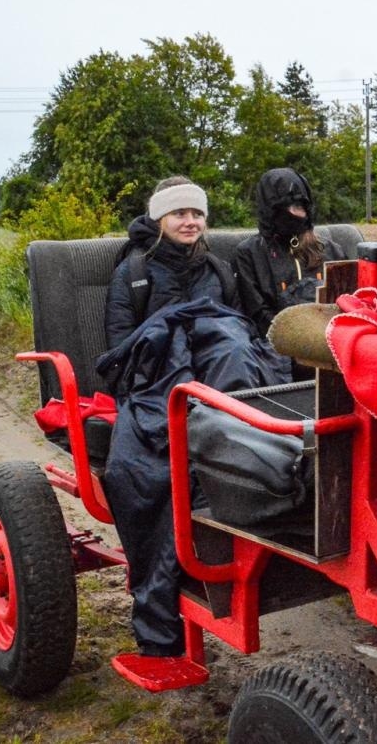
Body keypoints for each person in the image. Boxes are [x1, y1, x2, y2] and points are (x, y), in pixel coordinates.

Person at [99, 176, 289, 661]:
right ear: (160, 219)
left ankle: (247, 445)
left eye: (197, 214)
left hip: (219, 382)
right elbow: (122, 349)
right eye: (179, 213)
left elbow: (241, 332)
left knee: (232, 345)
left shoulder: (221, 272)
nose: (190, 221)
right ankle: (163, 608)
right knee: (144, 471)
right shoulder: (135, 273)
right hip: (160, 382)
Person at [234, 167, 348, 337]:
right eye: (292, 206)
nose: (299, 213)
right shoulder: (249, 254)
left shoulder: (330, 250)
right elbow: (257, 313)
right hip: (277, 345)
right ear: (273, 210)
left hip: (332, 339)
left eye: (302, 205)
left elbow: (348, 301)